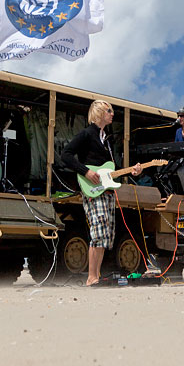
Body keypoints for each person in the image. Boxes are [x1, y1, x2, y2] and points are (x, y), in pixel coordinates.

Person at [61, 99, 142, 286]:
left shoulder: (106, 138)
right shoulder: (87, 134)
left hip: (106, 191)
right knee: (97, 230)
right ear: (98, 113)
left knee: (106, 233)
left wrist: (132, 170)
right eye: (109, 110)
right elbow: (66, 154)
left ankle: (96, 275)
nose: (112, 114)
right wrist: (86, 172)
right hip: (92, 189)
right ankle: (91, 276)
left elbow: (111, 167)